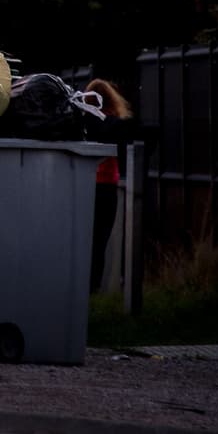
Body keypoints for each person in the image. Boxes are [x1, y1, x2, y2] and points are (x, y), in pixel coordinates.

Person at [84, 78, 135, 292]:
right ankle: (94, 287)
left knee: (84, 239)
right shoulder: (115, 123)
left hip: (85, 186)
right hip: (107, 186)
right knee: (100, 241)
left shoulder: (83, 122)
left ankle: (81, 283)